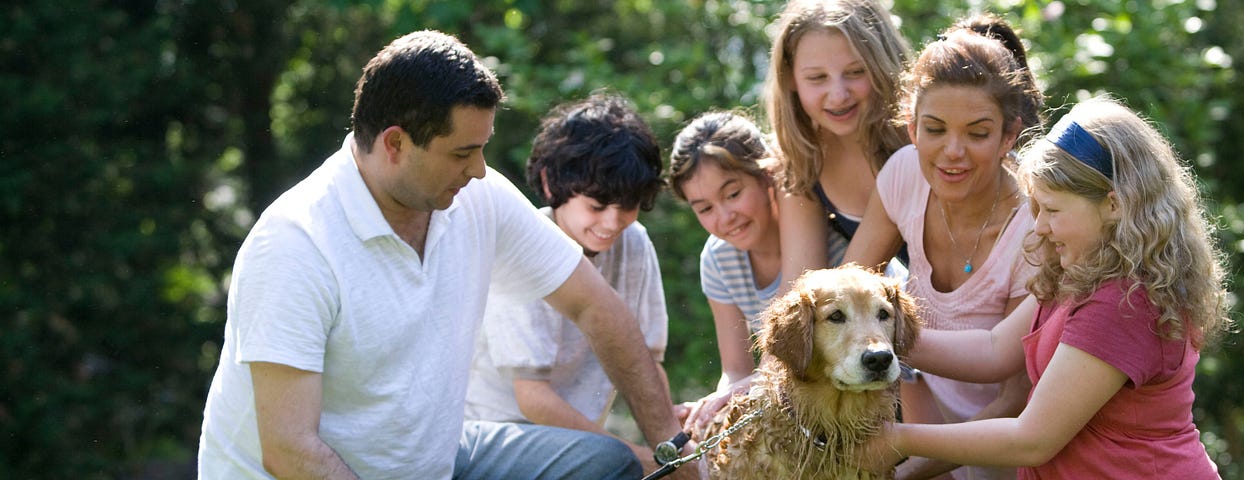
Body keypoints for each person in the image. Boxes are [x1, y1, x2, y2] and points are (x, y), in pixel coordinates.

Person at [196, 31, 682, 480]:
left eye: (482, 149)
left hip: (437, 457)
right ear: (394, 143)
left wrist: (672, 451)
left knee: (605, 464)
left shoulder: (479, 196)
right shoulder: (294, 243)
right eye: (460, 154)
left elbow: (596, 307)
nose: (479, 170)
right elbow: (288, 449)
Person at [860, 96, 1233, 479]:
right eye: (1036, 210)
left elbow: (1031, 439)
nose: (1039, 227)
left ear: (1113, 205)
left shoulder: (1125, 302)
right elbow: (993, 350)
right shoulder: (1078, 273)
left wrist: (896, 438)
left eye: (1052, 211)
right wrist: (878, 339)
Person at [842, 15, 1045, 480]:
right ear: (911, 128)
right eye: (935, 130)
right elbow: (845, 292)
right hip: (929, 427)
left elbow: (1014, 397)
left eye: (977, 133)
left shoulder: (1038, 225)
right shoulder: (903, 174)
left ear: (1008, 137)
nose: (953, 151)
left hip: (1012, 452)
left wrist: (906, 471)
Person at [461, 93, 675, 470]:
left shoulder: (634, 242)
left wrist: (672, 448)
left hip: (577, 443)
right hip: (498, 435)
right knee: (617, 464)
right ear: (550, 183)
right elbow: (532, 397)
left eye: (627, 207)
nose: (611, 223)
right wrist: (639, 457)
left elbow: (647, 366)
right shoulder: (524, 242)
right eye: (596, 206)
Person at [665, 110, 905, 433]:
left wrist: (755, 385)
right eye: (705, 208)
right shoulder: (717, 260)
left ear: (767, 177)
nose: (725, 217)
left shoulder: (827, 241)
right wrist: (720, 403)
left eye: (733, 194)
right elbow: (735, 369)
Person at [767, 0, 913, 290]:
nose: (838, 94)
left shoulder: (921, 136)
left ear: (882, 66)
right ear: (791, 79)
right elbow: (799, 285)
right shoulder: (802, 161)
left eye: (856, 72)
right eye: (817, 78)